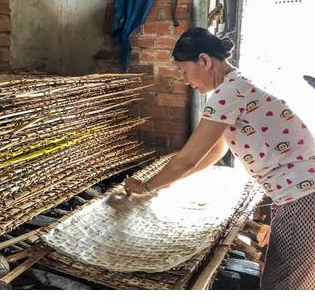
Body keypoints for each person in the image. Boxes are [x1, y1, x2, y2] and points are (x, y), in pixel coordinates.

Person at [123, 27, 315, 290]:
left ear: (204, 61)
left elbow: (188, 158)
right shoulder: (237, 85)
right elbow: (216, 150)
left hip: (303, 199)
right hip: (301, 193)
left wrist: (146, 186)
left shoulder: (228, 94)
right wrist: (170, 181)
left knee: (284, 286)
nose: (184, 79)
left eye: (183, 70)